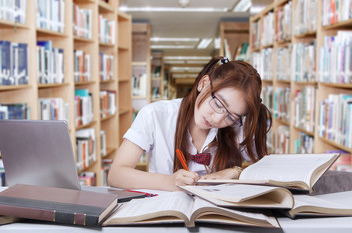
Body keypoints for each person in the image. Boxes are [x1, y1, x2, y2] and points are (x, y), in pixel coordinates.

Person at [108, 56, 272, 191]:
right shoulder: (154, 115)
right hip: (166, 212)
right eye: (218, 104)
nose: (218, 119)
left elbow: (270, 171)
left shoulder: (238, 126)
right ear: (203, 83)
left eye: (231, 117)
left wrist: (236, 172)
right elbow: (116, 175)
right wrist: (170, 182)